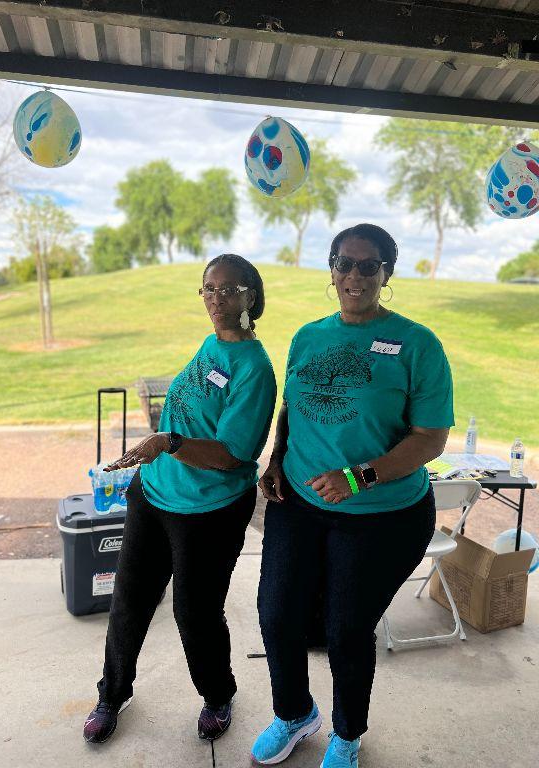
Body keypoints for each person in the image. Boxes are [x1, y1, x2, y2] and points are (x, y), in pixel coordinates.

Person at [251, 224, 454, 768]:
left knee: (344, 628)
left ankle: (346, 733)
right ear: (332, 268)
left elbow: (430, 438)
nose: (355, 276)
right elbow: (292, 407)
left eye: (369, 266)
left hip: (381, 514)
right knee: (276, 612)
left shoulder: (417, 345)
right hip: (299, 503)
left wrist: (359, 477)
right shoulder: (308, 337)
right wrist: (275, 459)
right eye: (345, 263)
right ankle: (295, 714)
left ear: (387, 273)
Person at [83, 254, 276, 745]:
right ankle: (112, 693)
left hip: (208, 512)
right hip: (154, 493)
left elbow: (234, 456)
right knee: (128, 599)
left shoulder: (253, 367)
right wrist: (161, 450)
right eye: (209, 288)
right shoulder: (211, 345)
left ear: (250, 296)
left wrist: (167, 442)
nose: (216, 298)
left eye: (229, 289)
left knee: (194, 612)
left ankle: (218, 695)